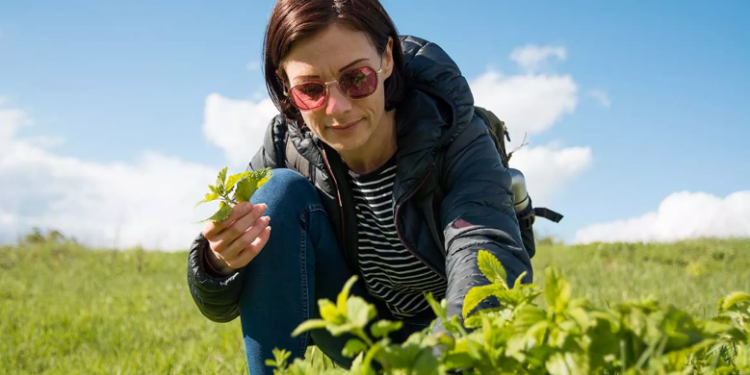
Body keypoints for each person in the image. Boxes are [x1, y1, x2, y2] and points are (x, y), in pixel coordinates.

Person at [186, 0, 533, 373]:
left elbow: (483, 251)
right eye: (311, 89)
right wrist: (217, 264)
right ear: (285, 86)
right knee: (276, 192)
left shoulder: (453, 130)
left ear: (386, 58)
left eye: (356, 78)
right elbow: (218, 303)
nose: (337, 107)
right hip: (363, 333)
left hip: (452, 338)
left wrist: (432, 361)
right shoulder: (287, 145)